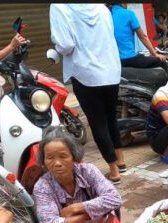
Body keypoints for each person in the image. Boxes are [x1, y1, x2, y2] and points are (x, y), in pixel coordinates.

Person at [50, 4, 126, 184]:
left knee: (98, 122)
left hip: (85, 73)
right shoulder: (101, 7)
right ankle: (121, 160)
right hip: (111, 70)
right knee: (110, 118)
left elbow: (65, 44)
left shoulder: (59, 7)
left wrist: (57, 51)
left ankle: (114, 171)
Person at [110, 3, 167, 70]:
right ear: (122, 3)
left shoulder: (108, 14)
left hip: (115, 60)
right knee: (162, 61)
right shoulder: (128, 13)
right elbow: (142, 36)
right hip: (129, 59)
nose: (127, 5)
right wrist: (154, 54)